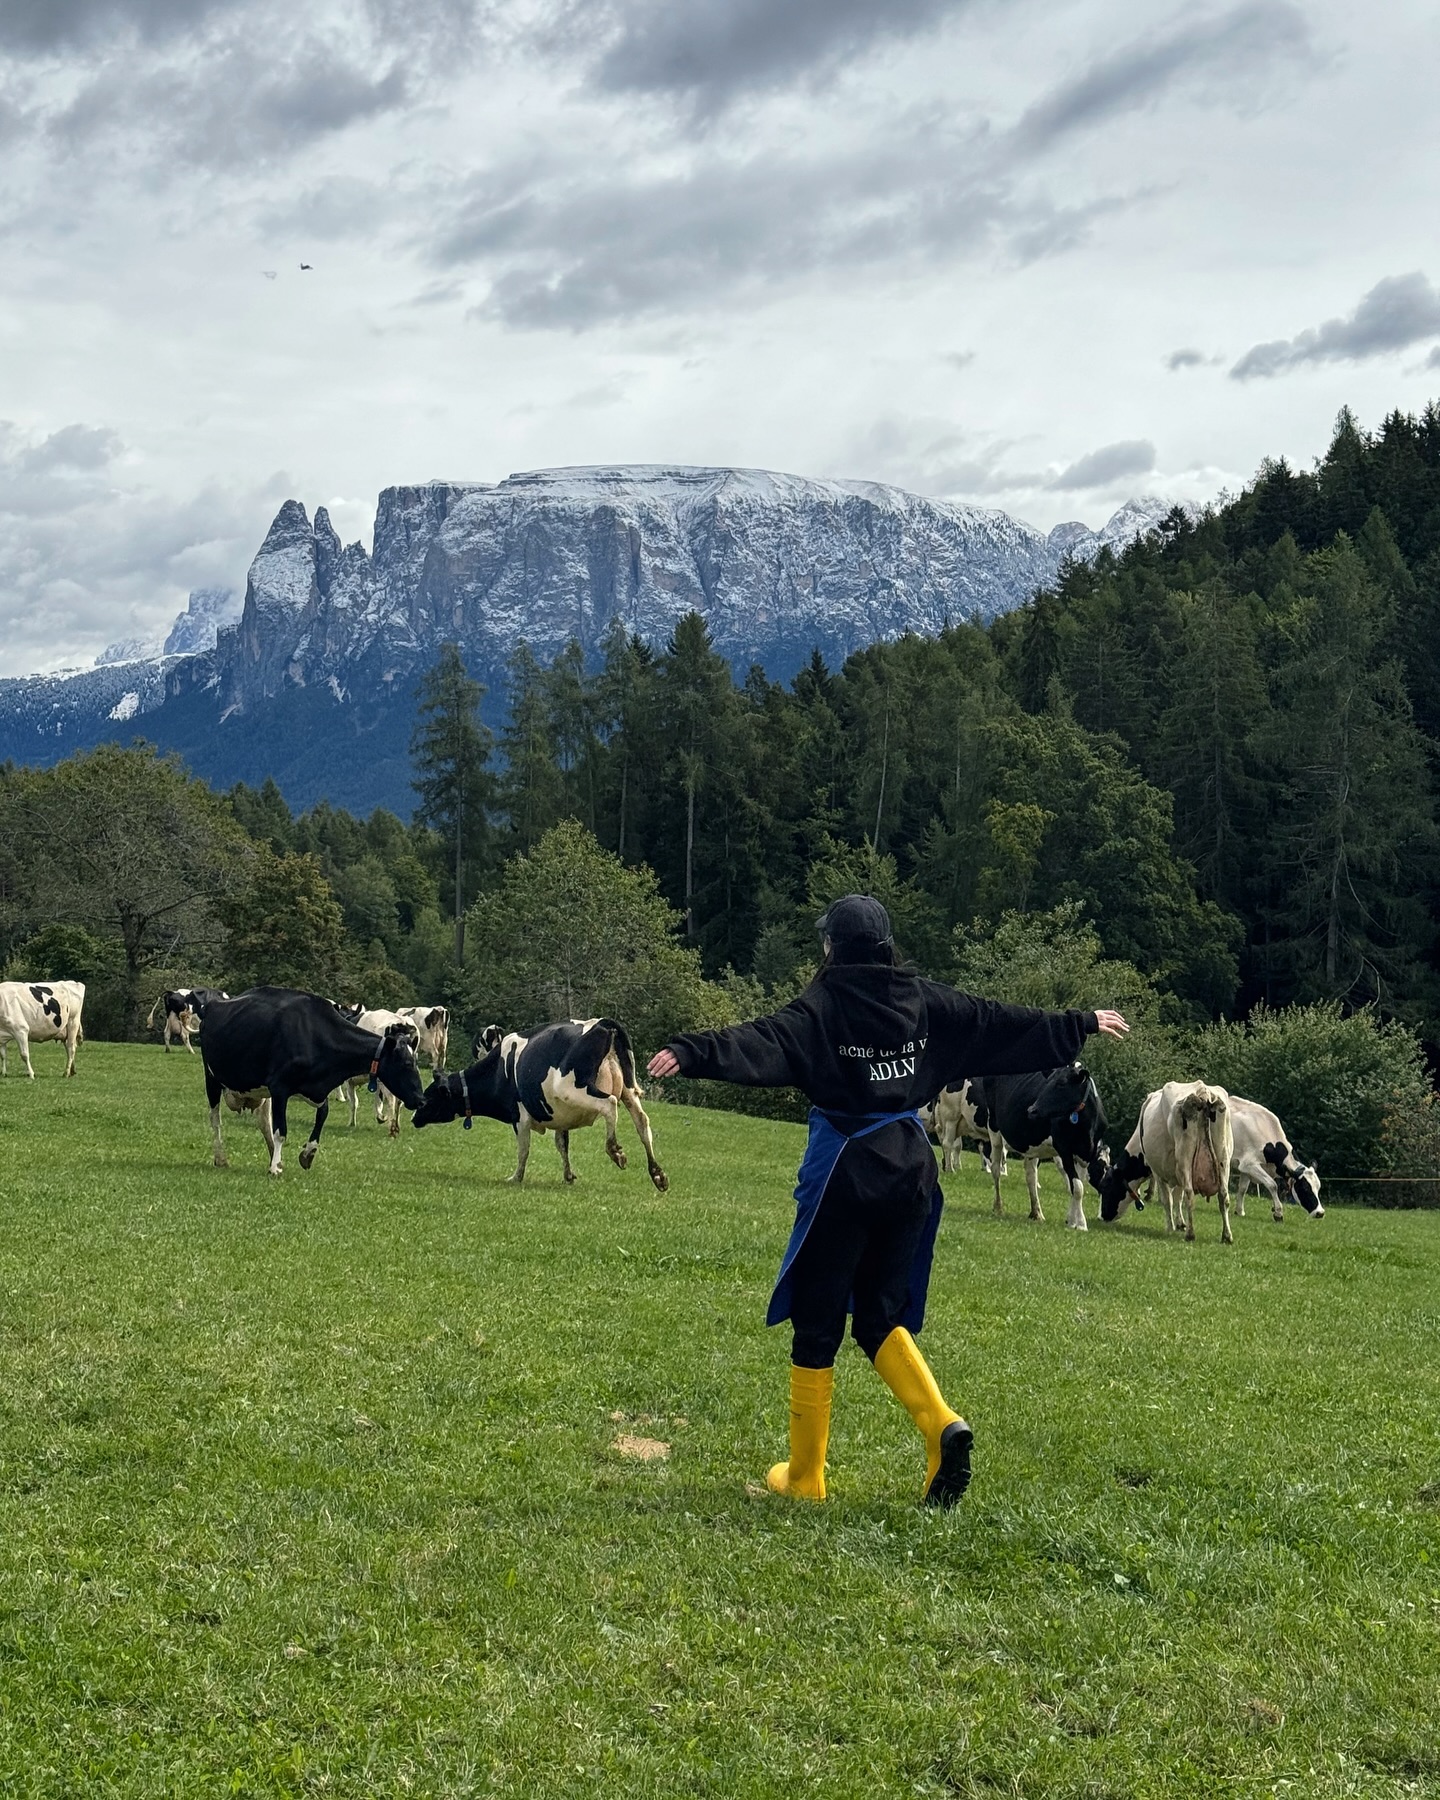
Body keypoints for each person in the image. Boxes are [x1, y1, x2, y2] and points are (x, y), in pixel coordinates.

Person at [647, 894, 1128, 1507]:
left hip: (847, 1168)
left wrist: (691, 1051)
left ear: (832, 948)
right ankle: (941, 1426)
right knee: (879, 1316)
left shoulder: (823, 1005)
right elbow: (997, 1021)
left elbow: (766, 1039)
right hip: (911, 1168)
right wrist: (1078, 1022)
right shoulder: (922, 999)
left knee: (819, 1319)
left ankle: (804, 1477)